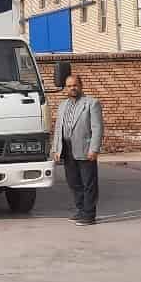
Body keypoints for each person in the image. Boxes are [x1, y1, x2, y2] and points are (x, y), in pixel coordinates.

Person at [51, 75, 104, 226]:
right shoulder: (62, 105)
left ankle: (89, 215)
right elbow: (58, 128)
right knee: (73, 182)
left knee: (88, 183)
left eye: (75, 85)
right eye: (69, 86)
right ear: (66, 88)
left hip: (85, 149)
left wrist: (94, 149)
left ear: (81, 86)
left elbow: (97, 128)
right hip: (67, 149)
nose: (72, 88)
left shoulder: (91, 103)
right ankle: (81, 210)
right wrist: (56, 149)